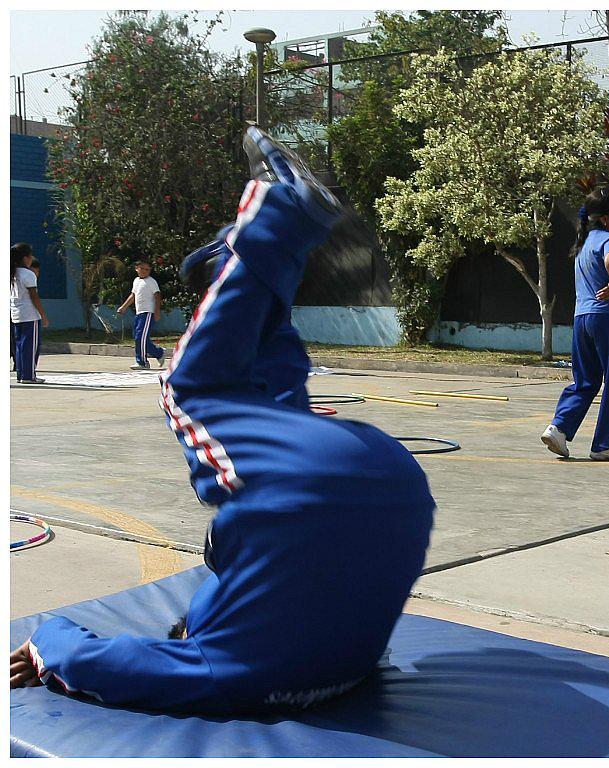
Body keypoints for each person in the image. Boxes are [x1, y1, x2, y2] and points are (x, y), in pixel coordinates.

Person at [9, 127, 435, 715]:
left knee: (269, 414)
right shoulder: (221, 668)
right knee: (190, 388)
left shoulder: (348, 660)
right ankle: (278, 219)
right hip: (314, 490)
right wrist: (47, 645)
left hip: (401, 488)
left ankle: (263, 284)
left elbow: (254, 573)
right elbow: (101, 661)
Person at [541, 186, 609, 461]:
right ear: (606, 219)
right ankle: (605, 444)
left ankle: (558, 428)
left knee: (585, 380)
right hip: (606, 319)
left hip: (581, 319)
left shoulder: (583, 244)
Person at [116, 259, 166, 369]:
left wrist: (157, 312)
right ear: (136, 268)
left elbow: (157, 296)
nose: (144, 271)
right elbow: (133, 295)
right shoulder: (136, 281)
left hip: (148, 312)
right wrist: (123, 307)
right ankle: (159, 353)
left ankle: (142, 362)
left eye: (147, 270)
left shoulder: (151, 281)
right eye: (142, 268)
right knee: (138, 337)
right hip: (139, 313)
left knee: (140, 337)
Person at [11, 242, 48, 384]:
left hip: (17, 314)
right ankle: (28, 376)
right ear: (25, 258)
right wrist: (43, 315)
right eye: (30, 256)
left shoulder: (12, 273)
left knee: (20, 346)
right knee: (31, 347)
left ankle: (21, 374)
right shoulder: (28, 274)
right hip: (30, 315)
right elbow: (34, 296)